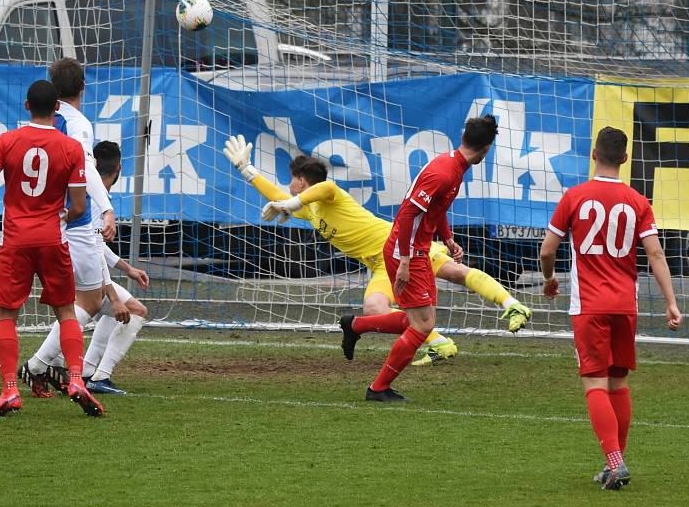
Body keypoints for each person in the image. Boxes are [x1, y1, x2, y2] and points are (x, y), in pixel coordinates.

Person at [224, 130, 529, 367]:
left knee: (454, 272)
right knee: (374, 310)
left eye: (292, 182)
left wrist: (290, 203)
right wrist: (246, 170)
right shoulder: (310, 209)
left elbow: (323, 189)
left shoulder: (330, 196)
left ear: (302, 183)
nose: (288, 187)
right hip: (379, 263)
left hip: (396, 245)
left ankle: (512, 304)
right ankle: (439, 343)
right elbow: (277, 194)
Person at [539, 126, 682, 490]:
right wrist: (670, 302)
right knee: (618, 382)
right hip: (624, 305)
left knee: (594, 383)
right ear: (624, 158)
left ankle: (615, 463)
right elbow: (655, 253)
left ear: (593, 155)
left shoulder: (574, 196)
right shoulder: (638, 201)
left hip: (589, 304)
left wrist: (549, 278)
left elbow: (547, 250)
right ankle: (614, 461)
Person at [337, 115, 499, 401]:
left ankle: (355, 325)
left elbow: (435, 210)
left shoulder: (453, 167)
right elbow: (409, 214)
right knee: (422, 326)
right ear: (487, 148)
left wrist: (447, 238)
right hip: (408, 252)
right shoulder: (445, 172)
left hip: (417, 250)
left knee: (420, 321)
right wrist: (406, 261)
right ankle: (378, 388)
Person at [0, 80, 103, 417]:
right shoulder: (71, 148)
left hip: (15, 241)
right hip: (52, 239)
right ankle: (75, 379)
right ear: (57, 108)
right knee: (66, 311)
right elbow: (77, 204)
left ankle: (10, 391)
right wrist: (59, 218)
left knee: (6, 316)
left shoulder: (6, 141)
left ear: (26, 106)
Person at [17, 58, 123, 397]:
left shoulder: (44, 121)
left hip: (42, 220)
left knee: (71, 299)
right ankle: (38, 365)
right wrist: (107, 208)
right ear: (82, 87)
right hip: (75, 224)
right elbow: (86, 168)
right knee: (90, 300)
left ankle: (55, 366)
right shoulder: (77, 123)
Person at [68, 141, 149, 395]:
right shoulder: (97, 201)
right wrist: (113, 296)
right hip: (85, 270)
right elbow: (93, 248)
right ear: (120, 168)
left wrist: (128, 270)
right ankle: (45, 364)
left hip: (75, 265)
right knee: (134, 310)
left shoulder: (89, 195)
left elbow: (97, 245)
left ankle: (88, 371)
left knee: (107, 311)